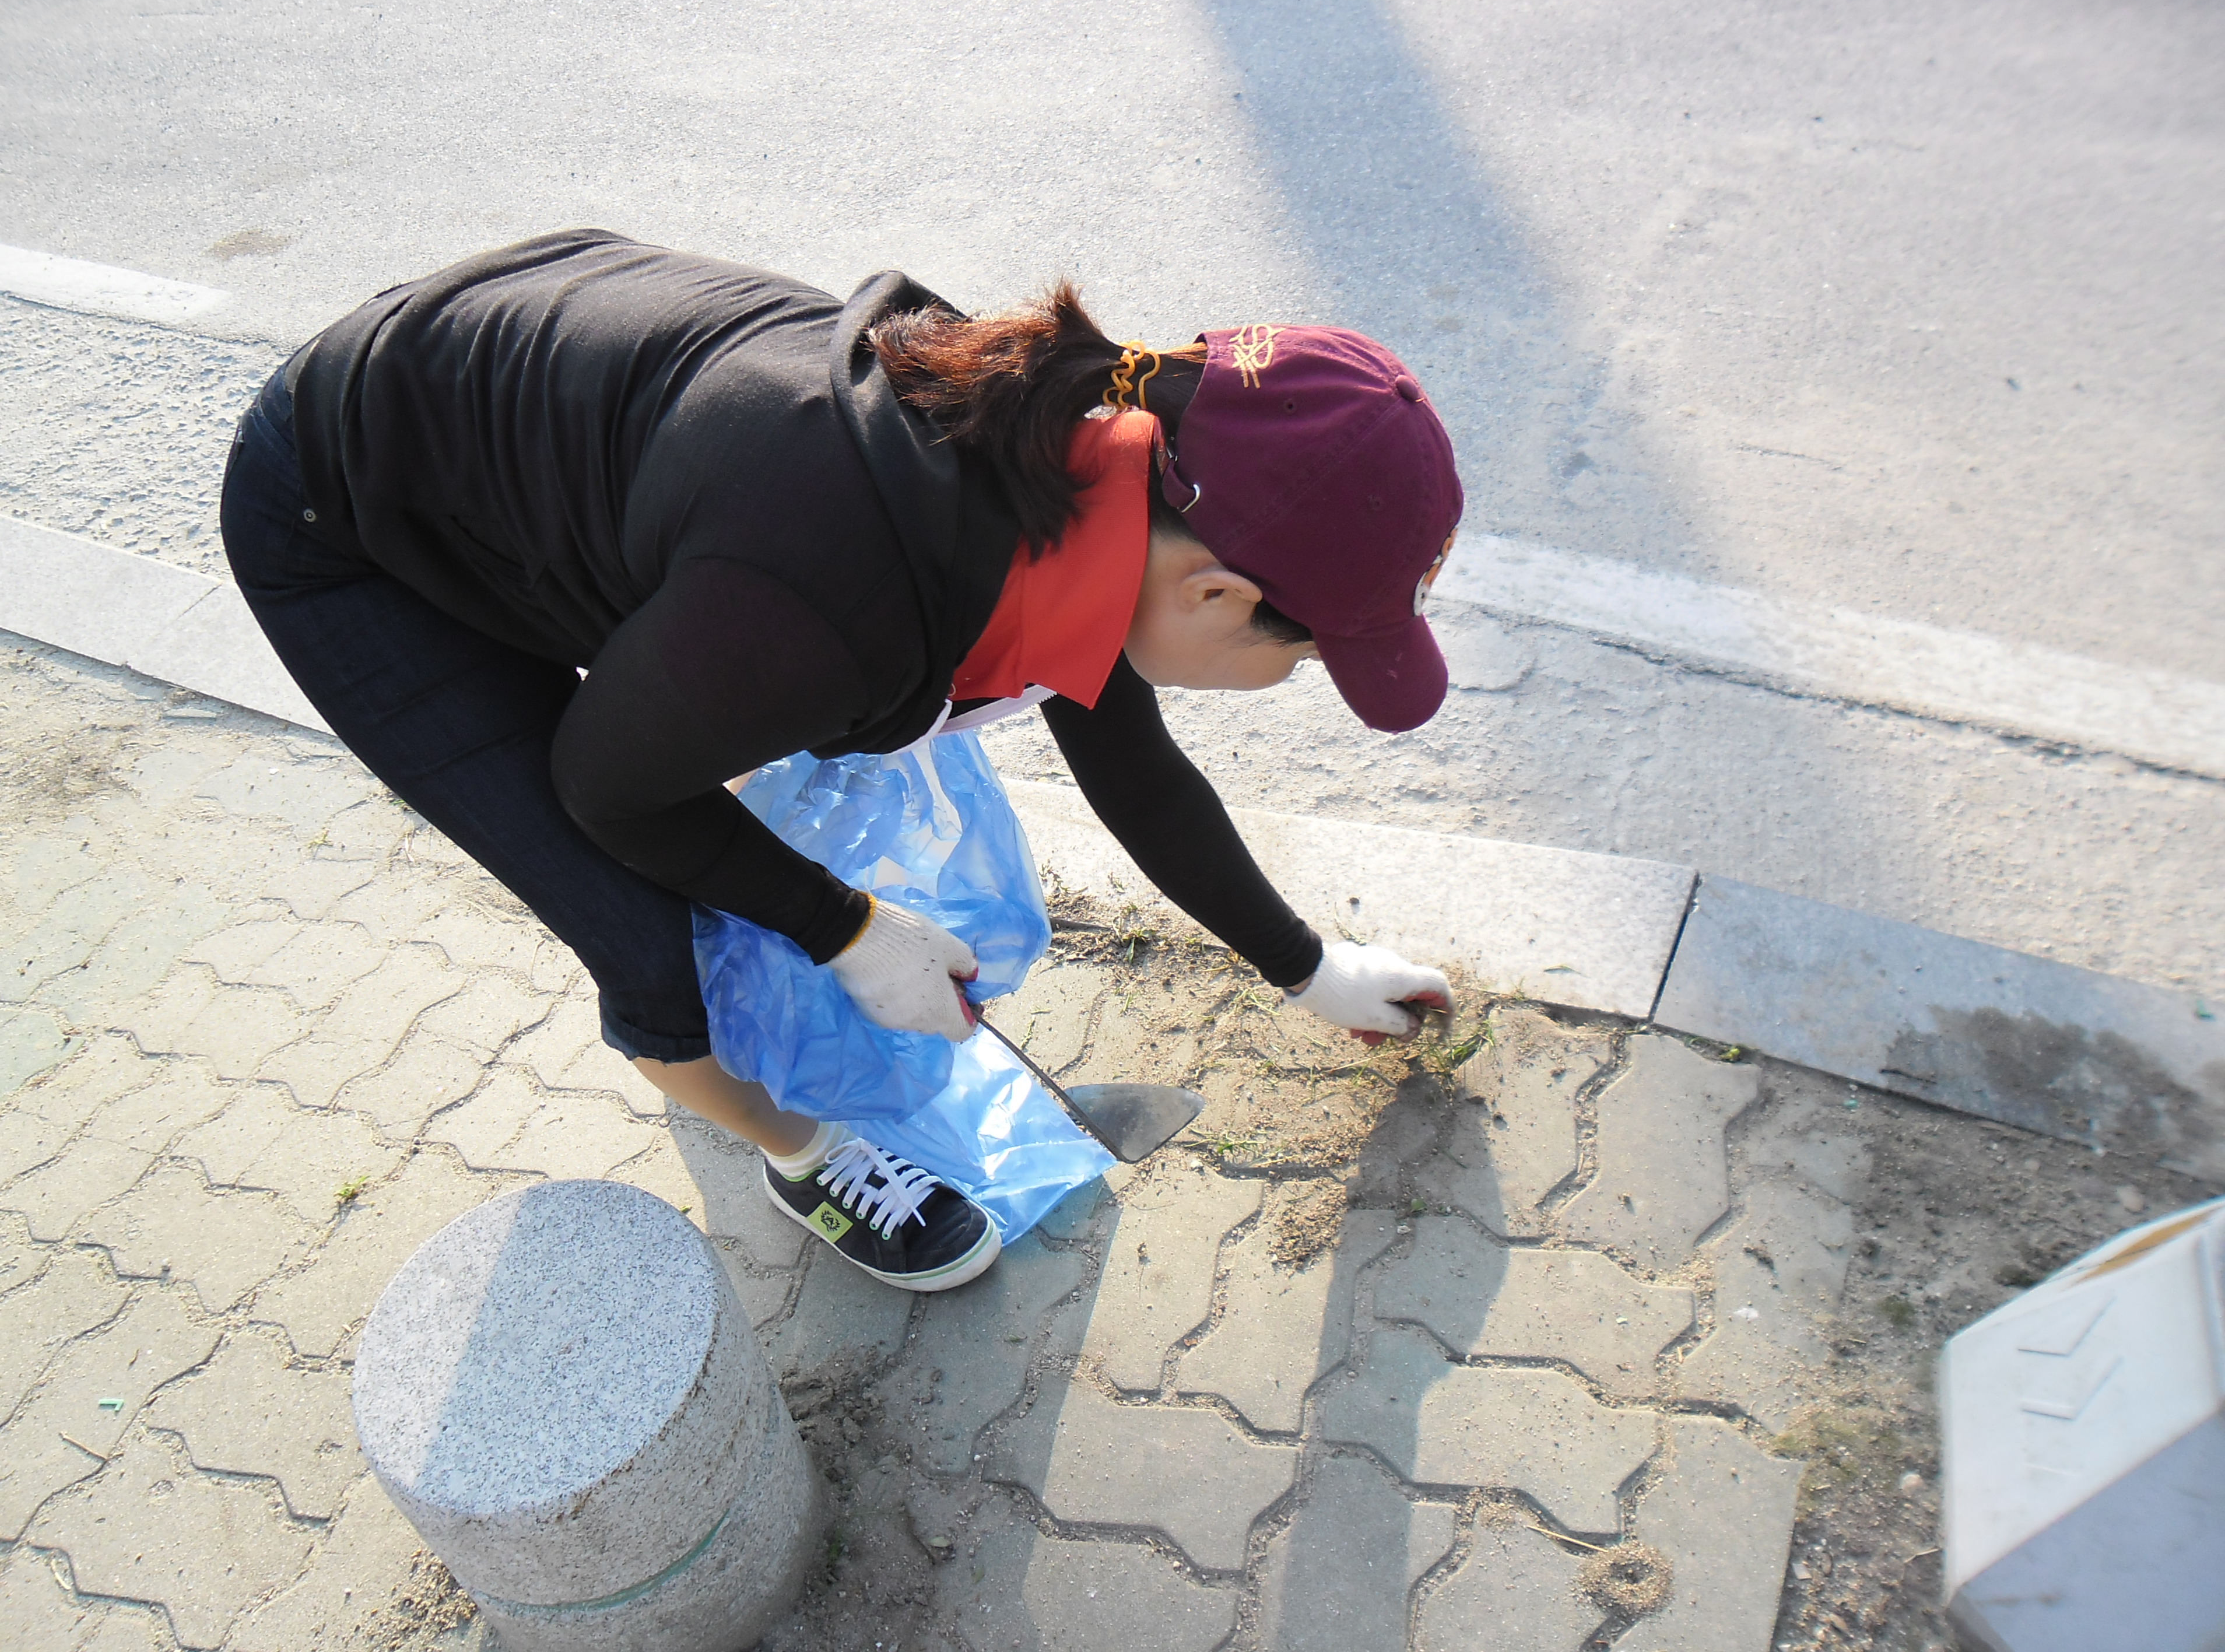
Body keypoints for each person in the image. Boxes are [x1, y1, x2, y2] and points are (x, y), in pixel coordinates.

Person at [222, 229, 1461, 1293]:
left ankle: (727, 930)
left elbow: (1133, 766)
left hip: (528, 434)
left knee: (704, 747)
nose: (1296, 675)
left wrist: (1307, 968)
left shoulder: (1085, 469)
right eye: (1308, 656)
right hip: (348, 513)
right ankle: (803, 1155)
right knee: (653, 931)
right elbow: (606, 790)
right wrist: (847, 930)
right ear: (1217, 592)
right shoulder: (831, 592)